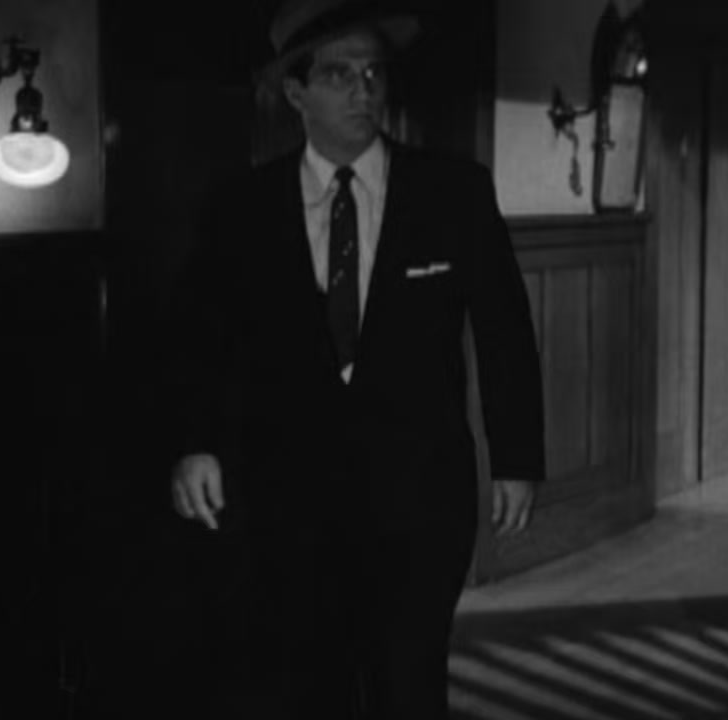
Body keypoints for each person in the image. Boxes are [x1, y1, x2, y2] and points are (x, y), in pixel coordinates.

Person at [167, 0, 546, 717]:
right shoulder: (243, 207)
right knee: (305, 686)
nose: (363, 90)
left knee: (409, 686)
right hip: (287, 502)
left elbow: (505, 329)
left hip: (418, 501)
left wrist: (517, 458)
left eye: (373, 73)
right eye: (339, 74)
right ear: (295, 92)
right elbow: (202, 338)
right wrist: (195, 444)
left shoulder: (452, 192)